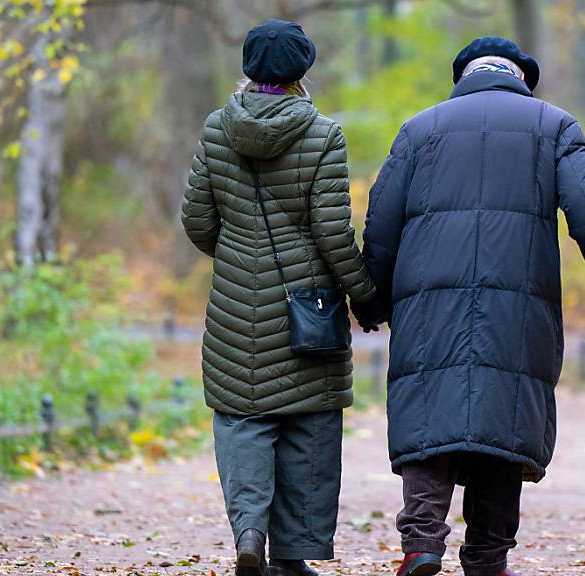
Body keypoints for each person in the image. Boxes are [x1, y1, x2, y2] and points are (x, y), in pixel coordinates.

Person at [353, 37, 585, 576]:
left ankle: (421, 544)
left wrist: (372, 299)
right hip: (518, 309)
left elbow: (382, 222)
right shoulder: (553, 126)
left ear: (462, 77)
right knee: (501, 423)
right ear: (521, 79)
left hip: (427, 308)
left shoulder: (420, 129)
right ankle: (487, 558)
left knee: (429, 416)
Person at [180, 19, 375, 576]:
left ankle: (248, 534)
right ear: (302, 72)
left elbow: (197, 220)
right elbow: (333, 233)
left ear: (248, 70)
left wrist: (239, 258)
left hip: (235, 309)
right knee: (308, 423)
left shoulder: (217, 129)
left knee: (243, 418)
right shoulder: (322, 134)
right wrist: (364, 296)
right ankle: (292, 556)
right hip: (307, 309)